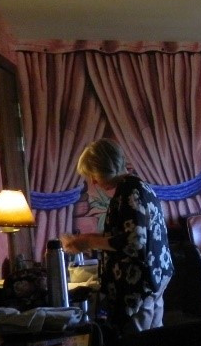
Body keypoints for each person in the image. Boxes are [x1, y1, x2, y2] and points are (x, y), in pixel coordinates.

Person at [61, 138, 173, 335]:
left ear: (106, 168)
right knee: (154, 336)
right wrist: (87, 239)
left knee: (137, 341)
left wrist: (90, 241)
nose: (93, 181)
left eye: (94, 174)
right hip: (153, 277)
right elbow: (125, 233)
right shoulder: (135, 187)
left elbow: (134, 242)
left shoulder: (130, 192)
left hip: (139, 283)